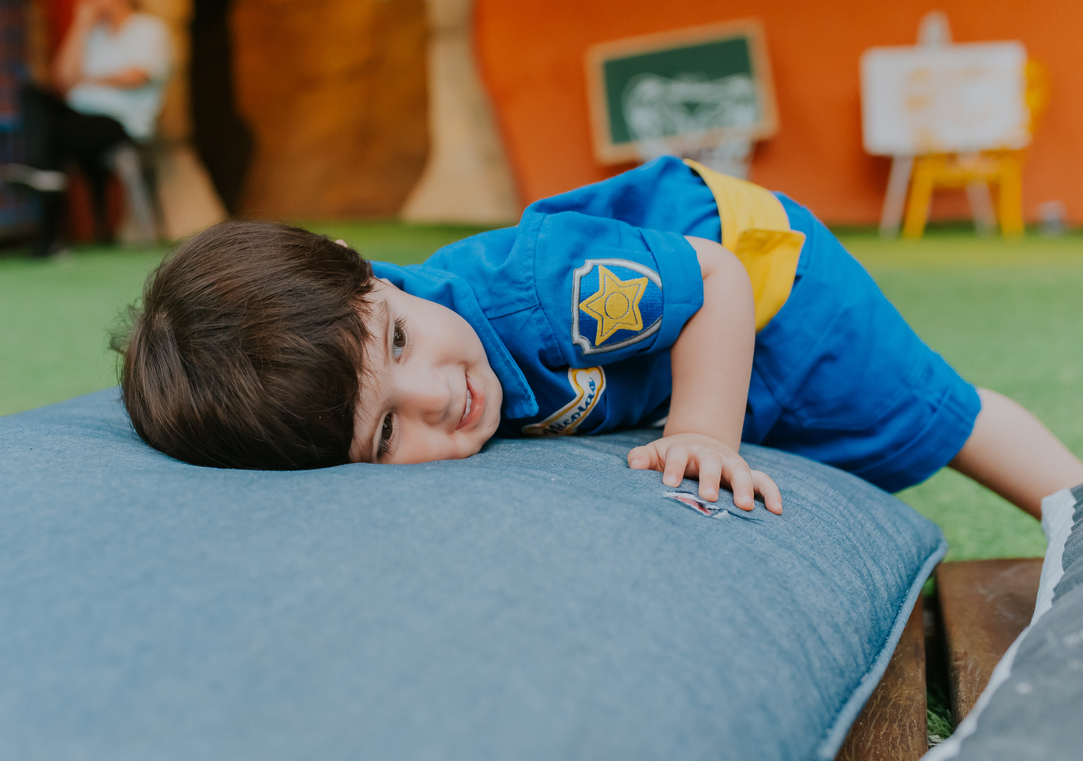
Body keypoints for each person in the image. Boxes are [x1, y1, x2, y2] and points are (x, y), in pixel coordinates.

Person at [113, 156, 1083, 518]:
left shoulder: (541, 294)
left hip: (768, 279)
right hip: (694, 313)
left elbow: (713, 281)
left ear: (361, 265)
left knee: (919, 418)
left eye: (402, 345)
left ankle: (1068, 503)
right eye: (383, 436)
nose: (439, 399)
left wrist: (706, 431)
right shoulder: (347, 343)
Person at [4, 0, 171, 256]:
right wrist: (80, 26)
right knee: (32, 95)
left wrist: (90, 78)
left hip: (120, 121)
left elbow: (139, 75)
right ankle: (43, 174)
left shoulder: (149, 29)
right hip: (78, 116)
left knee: (49, 140)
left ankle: (47, 230)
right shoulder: (92, 33)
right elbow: (64, 78)